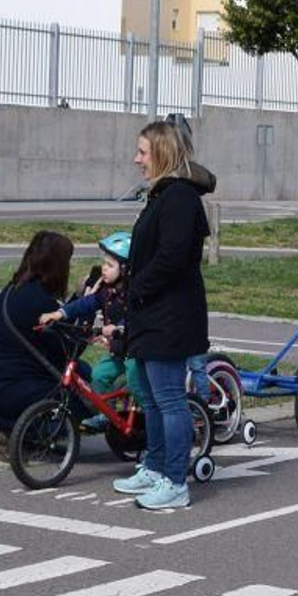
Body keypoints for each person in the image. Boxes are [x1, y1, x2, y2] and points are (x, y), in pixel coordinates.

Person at [115, 120, 216, 511]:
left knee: (169, 399)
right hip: (152, 312)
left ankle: (175, 481)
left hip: (170, 315)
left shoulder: (178, 198)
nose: (136, 159)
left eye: (142, 151)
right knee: (153, 398)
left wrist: (137, 287)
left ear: (161, 152)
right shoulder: (162, 195)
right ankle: (155, 468)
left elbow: (172, 257)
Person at [0, 230, 79, 457]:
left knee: (79, 374)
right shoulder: (39, 302)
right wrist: (83, 306)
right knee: (78, 391)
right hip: (7, 391)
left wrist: (73, 304)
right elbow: (67, 355)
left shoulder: (14, 288)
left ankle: (3, 427)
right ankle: (24, 434)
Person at [37, 231, 142, 431]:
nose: (104, 268)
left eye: (110, 265)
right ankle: (106, 415)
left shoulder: (133, 293)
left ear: (126, 269)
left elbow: (134, 317)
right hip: (118, 350)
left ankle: (149, 421)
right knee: (99, 375)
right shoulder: (104, 291)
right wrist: (59, 314)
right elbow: (85, 304)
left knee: (136, 380)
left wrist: (118, 327)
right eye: (104, 263)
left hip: (136, 350)